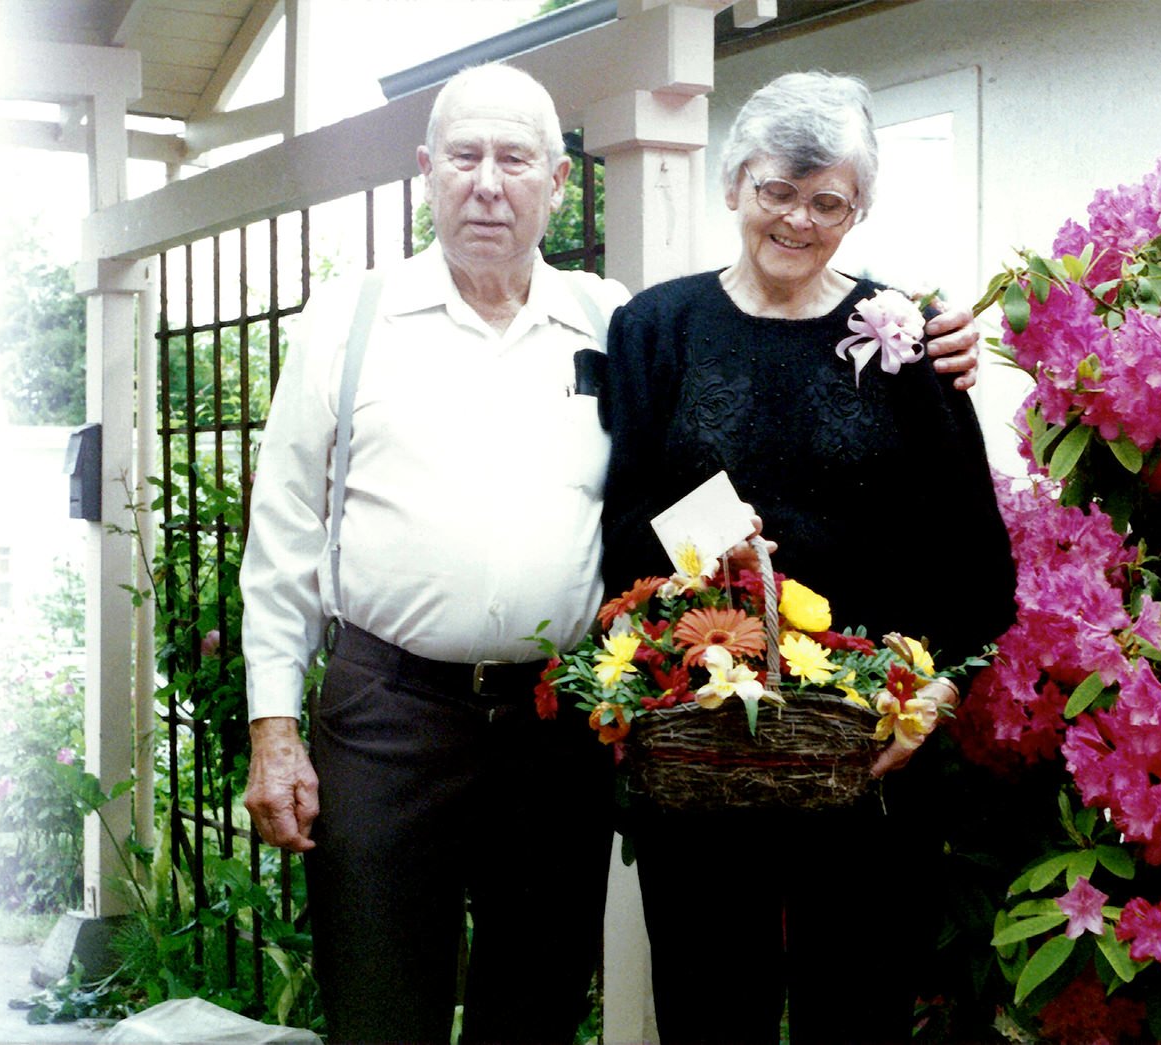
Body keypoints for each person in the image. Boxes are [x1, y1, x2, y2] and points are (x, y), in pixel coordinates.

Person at [240, 63, 983, 1044]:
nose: (488, 183)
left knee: (537, 1005)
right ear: (427, 171)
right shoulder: (350, 320)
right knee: (379, 1007)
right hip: (389, 714)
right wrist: (273, 727)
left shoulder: (608, 319)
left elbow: (688, 498)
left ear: (558, 182)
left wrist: (922, 357)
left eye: (516, 159)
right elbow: (285, 531)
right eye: (464, 156)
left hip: (557, 725)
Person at [599, 71, 1018, 1044]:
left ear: (857, 209)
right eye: (775, 190)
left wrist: (930, 696)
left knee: (857, 1013)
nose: (797, 219)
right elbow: (619, 529)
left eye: (827, 200)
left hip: (867, 754)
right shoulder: (654, 330)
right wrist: (716, 551)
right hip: (701, 750)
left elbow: (978, 565)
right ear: (733, 183)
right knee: (710, 1012)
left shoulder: (904, 339)